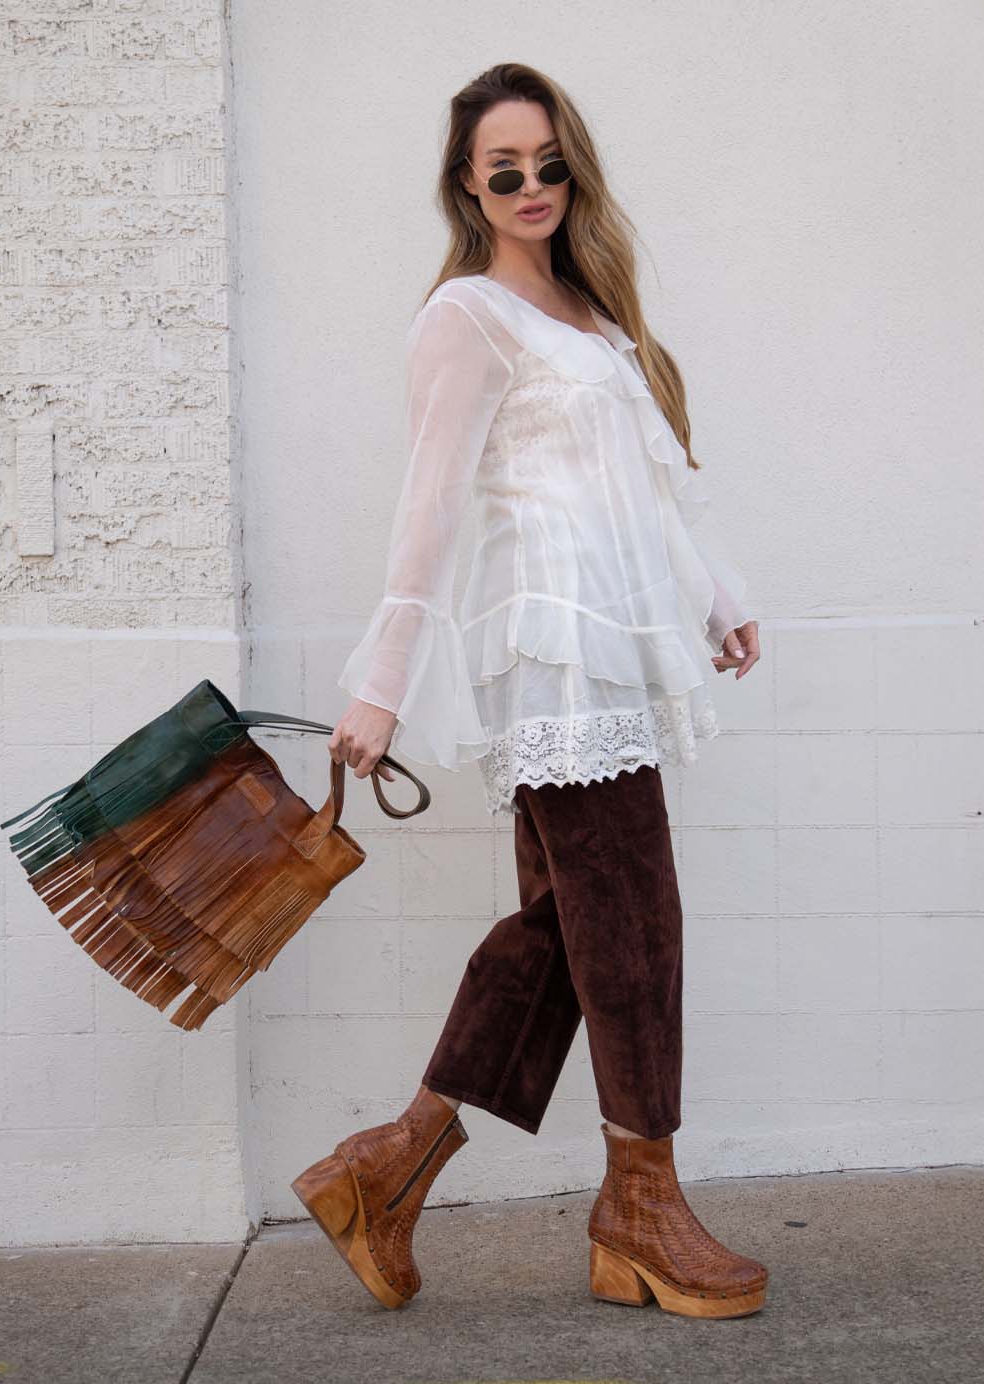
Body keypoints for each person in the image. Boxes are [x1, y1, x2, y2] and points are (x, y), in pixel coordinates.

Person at [291, 62, 767, 1320]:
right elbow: (430, 506)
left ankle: (387, 1171)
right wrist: (382, 681)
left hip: (618, 645)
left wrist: (716, 594)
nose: (531, 186)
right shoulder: (467, 315)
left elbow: (650, 487)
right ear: (467, 185)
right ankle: (640, 1207)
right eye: (504, 170)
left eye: (549, 163)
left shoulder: (592, 313)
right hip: (551, 658)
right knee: (635, 916)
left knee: (574, 923)